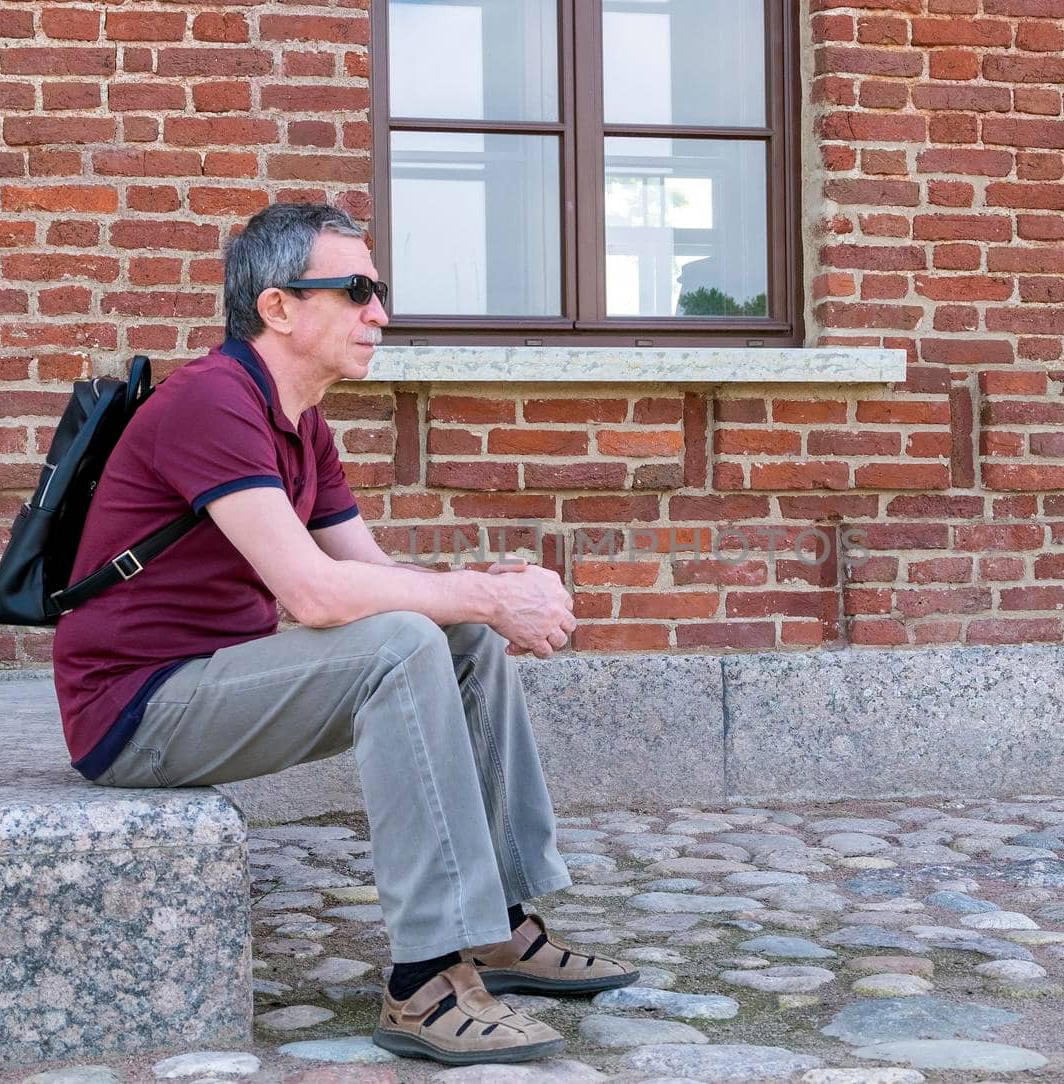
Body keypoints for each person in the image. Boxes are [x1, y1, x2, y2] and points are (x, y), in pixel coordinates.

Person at [52, 201, 637, 1065]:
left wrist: (484, 591)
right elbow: (316, 595)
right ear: (278, 307)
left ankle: (499, 928)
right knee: (405, 641)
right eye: (356, 289)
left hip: (223, 676)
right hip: (137, 711)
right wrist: (472, 593)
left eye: (380, 289)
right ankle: (424, 980)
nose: (380, 313)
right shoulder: (211, 402)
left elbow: (371, 572)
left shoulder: (302, 421)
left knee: (459, 636)